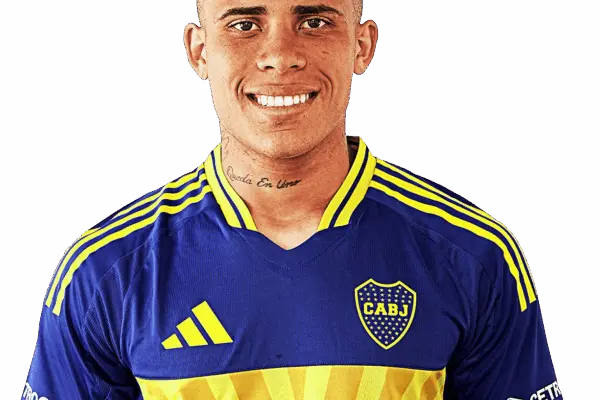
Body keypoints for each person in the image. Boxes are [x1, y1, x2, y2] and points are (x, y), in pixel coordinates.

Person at [22, 0, 562, 398]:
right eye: (244, 24)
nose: (280, 56)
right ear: (199, 50)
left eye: (315, 21)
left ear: (362, 45)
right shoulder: (104, 272)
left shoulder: (475, 254)